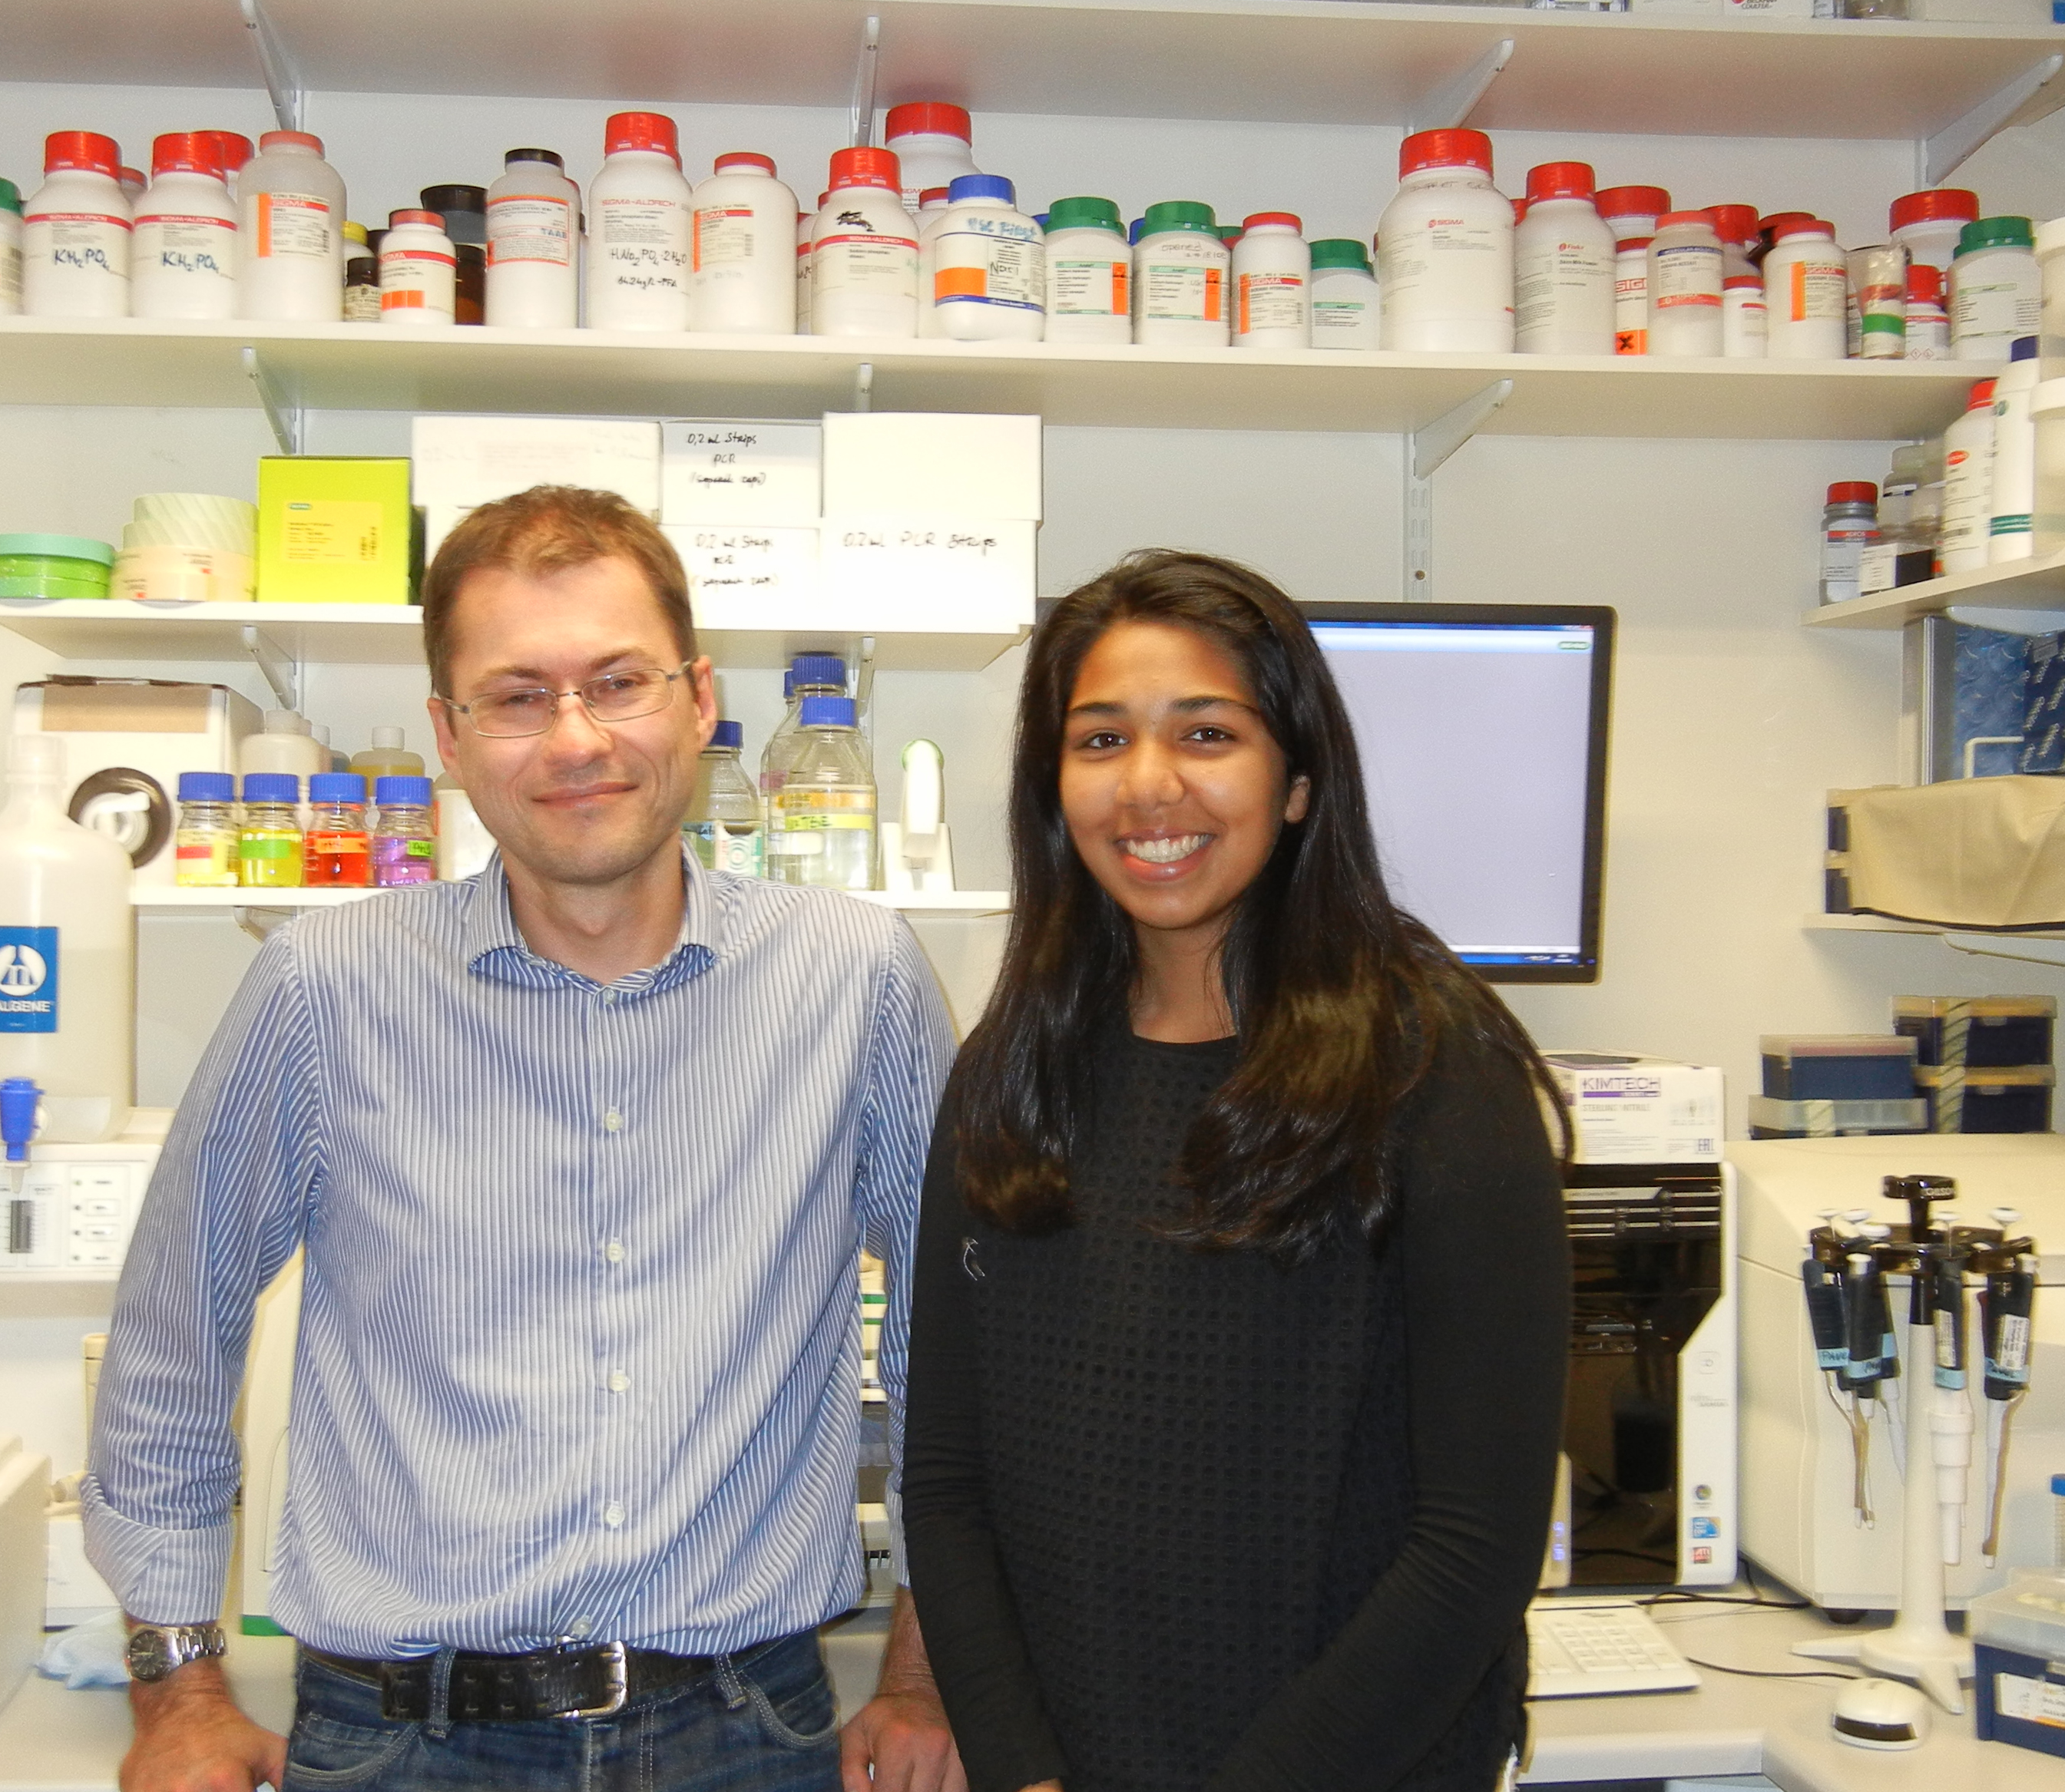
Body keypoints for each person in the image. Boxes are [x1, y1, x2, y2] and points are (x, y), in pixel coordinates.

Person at [84, 484, 966, 1792]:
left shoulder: (856, 978)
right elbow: (170, 1337)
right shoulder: (325, 988)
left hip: (745, 1729)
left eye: (618, 681)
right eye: (515, 695)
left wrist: (926, 1674)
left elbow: (958, 1354)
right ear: (448, 734)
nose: (575, 738)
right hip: (403, 1738)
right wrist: (176, 1691)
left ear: (698, 699)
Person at [902, 550, 1570, 1792]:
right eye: (1100, 740)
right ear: (1054, 786)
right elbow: (948, 1485)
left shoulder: (1433, 1065)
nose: (1148, 784)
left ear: (1298, 780)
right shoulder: (1011, 1070)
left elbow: (1473, 1543)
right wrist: (1022, 1768)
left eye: (1206, 733)